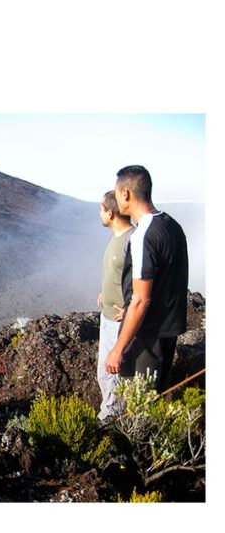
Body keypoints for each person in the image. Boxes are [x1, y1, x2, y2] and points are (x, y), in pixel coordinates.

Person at [104, 165, 189, 394]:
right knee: (157, 394)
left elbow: (142, 300)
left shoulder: (143, 235)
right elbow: (168, 280)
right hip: (168, 330)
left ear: (126, 193)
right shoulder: (172, 225)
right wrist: (130, 308)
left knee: (140, 403)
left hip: (148, 336)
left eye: (117, 191)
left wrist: (118, 349)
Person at [96, 190, 133, 419]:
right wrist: (106, 291)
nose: (99, 213)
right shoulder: (117, 237)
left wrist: (130, 308)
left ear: (110, 213)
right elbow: (121, 274)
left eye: (101, 209)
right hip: (107, 316)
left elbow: (146, 279)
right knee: (104, 371)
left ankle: (111, 418)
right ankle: (108, 411)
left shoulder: (131, 240)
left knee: (112, 371)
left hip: (119, 322)